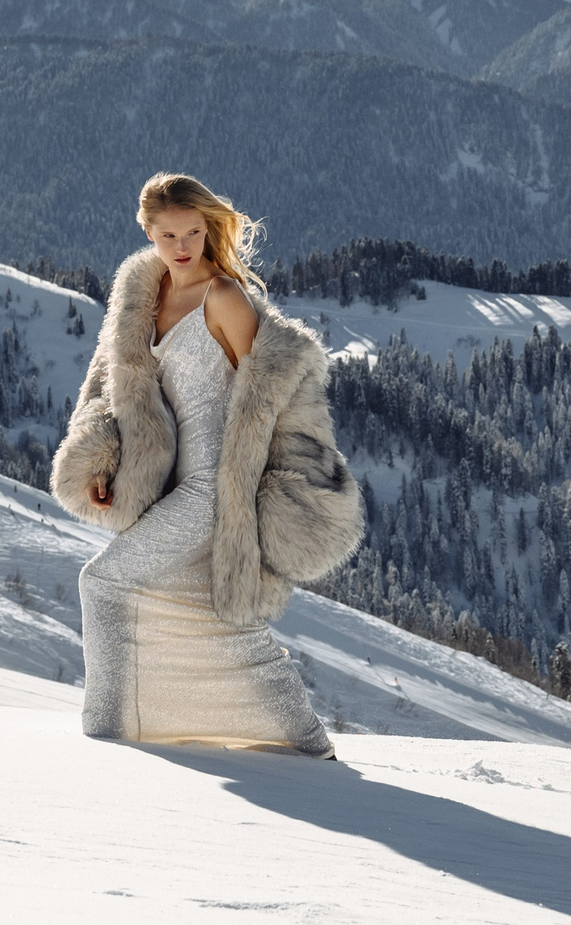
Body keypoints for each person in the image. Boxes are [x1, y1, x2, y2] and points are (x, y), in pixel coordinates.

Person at [49, 173, 364, 754]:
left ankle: (105, 738)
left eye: (193, 230)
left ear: (208, 227)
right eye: (168, 234)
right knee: (206, 613)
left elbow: (271, 396)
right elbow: (109, 391)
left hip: (214, 489)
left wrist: (266, 495)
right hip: (169, 487)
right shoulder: (141, 297)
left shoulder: (224, 298)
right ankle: (302, 737)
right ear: (148, 231)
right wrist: (105, 460)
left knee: (104, 583)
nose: (182, 245)